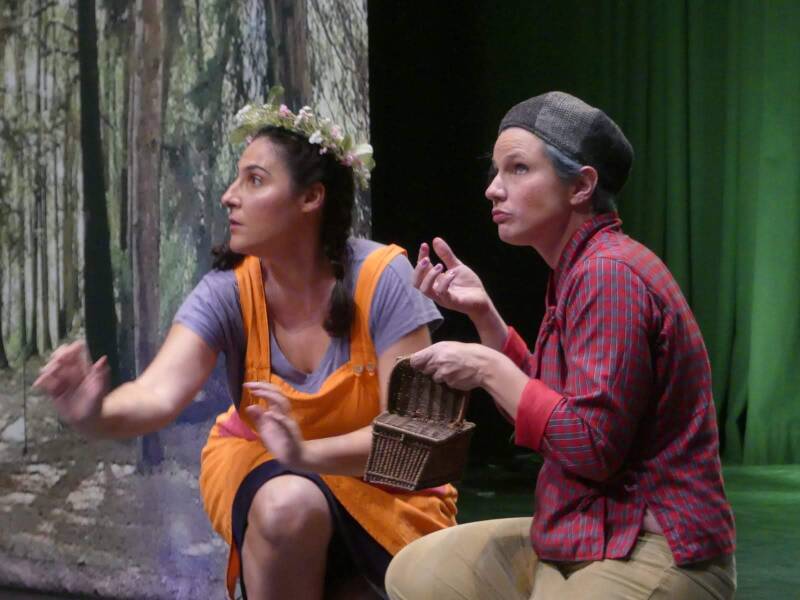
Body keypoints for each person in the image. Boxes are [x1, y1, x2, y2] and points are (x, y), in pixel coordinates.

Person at [33, 93, 458, 600]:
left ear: (311, 198)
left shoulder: (384, 279)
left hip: (384, 486)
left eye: (254, 180)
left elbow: (412, 442)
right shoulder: (228, 291)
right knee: (288, 506)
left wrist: (306, 453)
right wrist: (94, 413)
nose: (229, 196)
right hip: (265, 467)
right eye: (237, 179)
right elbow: (157, 394)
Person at [385, 91, 736, 599]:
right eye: (496, 171)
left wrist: (486, 368)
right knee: (418, 572)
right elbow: (555, 408)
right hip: (583, 531)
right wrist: (485, 317)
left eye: (518, 169)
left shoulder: (609, 274)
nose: (492, 189)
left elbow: (590, 446)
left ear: (581, 185)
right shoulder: (578, 269)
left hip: (651, 547)